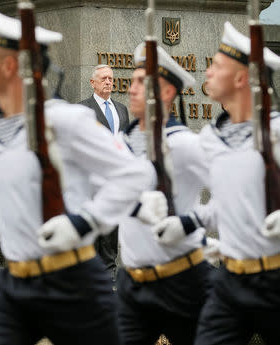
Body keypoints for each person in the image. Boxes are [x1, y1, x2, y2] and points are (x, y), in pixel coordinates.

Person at [0, 6, 160, 345]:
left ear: (9, 66)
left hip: (73, 283)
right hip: (17, 282)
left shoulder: (67, 120)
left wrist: (83, 222)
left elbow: (135, 175)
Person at [117, 42, 212, 345]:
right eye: (131, 81)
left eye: (141, 83)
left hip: (183, 282)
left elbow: (234, 197)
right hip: (131, 284)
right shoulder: (121, 143)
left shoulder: (185, 145)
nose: (131, 89)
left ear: (167, 93)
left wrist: (191, 221)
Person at [194, 22, 280, 345]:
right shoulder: (213, 138)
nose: (207, 73)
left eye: (217, 66)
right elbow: (226, 203)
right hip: (229, 282)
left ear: (242, 78)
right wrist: (190, 223)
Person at [79, 64, 130, 275]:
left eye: (110, 78)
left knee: (111, 230)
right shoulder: (83, 109)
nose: (108, 82)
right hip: (91, 180)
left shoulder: (121, 110)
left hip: (115, 181)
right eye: (103, 79)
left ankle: (110, 274)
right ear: (93, 82)